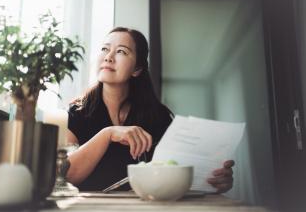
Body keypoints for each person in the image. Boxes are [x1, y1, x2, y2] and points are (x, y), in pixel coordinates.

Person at [66, 27, 234, 193]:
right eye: (105, 49)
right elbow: (66, 175)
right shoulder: (76, 113)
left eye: (121, 52)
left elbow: (174, 175)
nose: (109, 57)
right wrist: (108, 134)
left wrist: (212, 179)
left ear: (137, 69)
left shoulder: (159, 117)